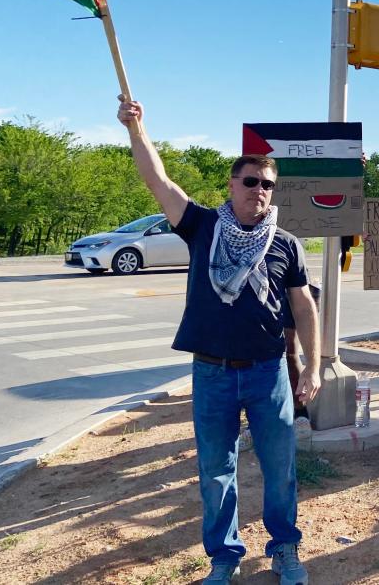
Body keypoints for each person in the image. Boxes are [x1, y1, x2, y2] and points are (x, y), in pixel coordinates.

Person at [117, 96, 320, 585]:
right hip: (212, 372)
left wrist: (312, 366)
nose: (259, 191)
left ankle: (285, 547)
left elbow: (303, 306)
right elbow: (158, 182)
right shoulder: (203, 226)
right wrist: (136, 130)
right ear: (231, 185)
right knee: (214, 471)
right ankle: (224, 556)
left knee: (280, 468)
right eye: (250, 182)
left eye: (267, 185)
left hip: (268, 371)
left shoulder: (285, 243)